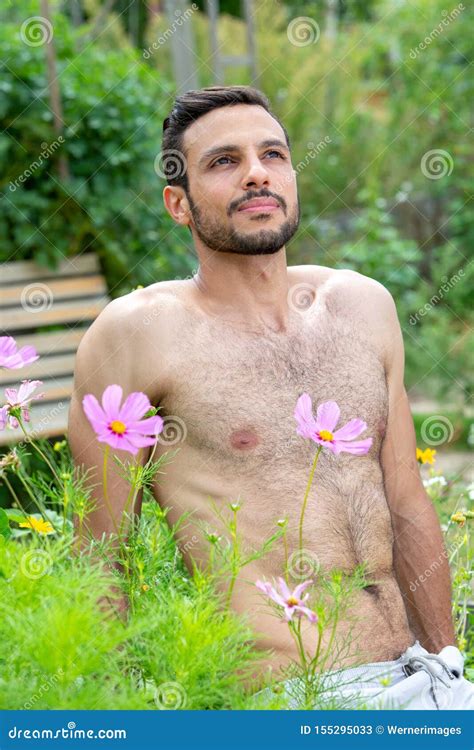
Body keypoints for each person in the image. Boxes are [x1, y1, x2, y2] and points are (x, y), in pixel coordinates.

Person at [68, 85, 473, 709]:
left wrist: (449, 662)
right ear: (178, 204)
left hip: (423, 678)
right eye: (224, 161)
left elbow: (406, 502)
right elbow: (99, 559)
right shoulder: (139, 335)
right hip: (298, 699)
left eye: (273, 155)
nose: (257, 173)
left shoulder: (363, 306)